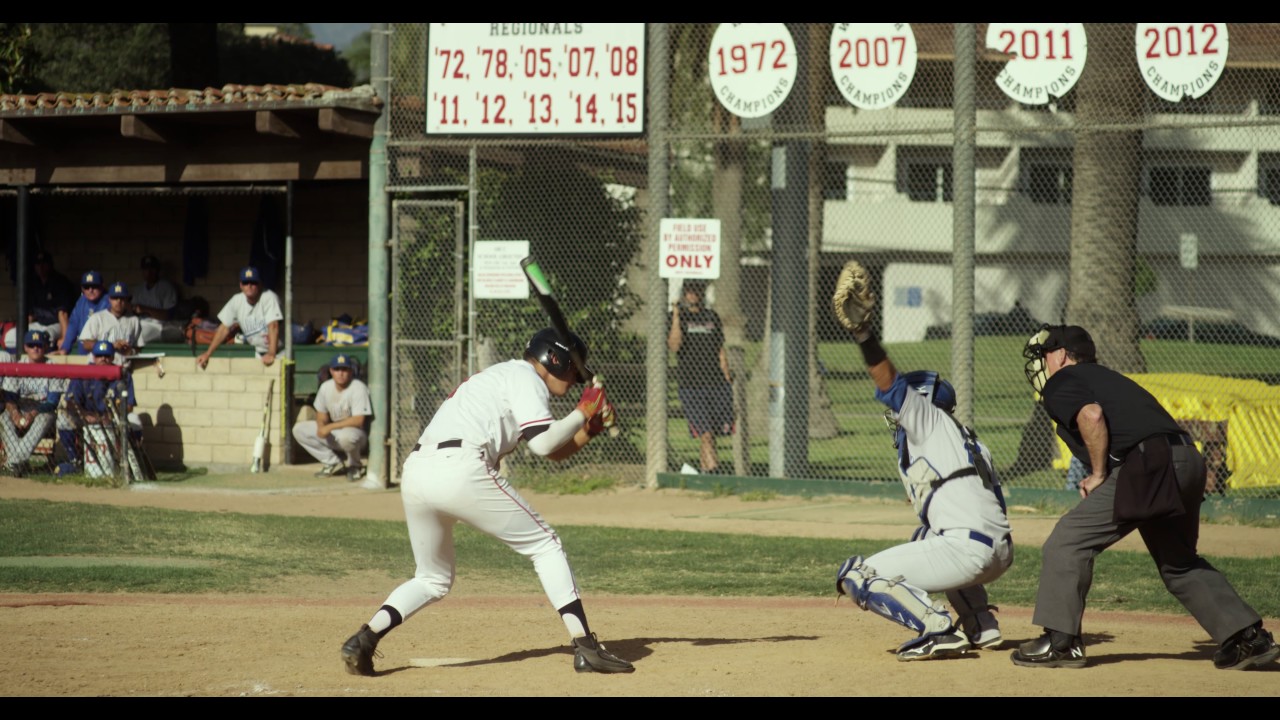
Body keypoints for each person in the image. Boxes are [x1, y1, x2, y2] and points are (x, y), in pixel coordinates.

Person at [338, 328, 633, 676]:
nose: (573, 381)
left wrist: (590, 428)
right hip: (461, 468)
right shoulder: (526, 377)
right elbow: (542, 444)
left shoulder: (506, 376)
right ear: (555, 360)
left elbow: (552, 449)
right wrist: (585, 410)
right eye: (573, 372)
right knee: (545, 545)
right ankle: (586, 647)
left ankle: (364, 638)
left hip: (417, 473)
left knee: (432, 579)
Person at [1012, 324, 1279, 670]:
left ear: (1062, 355)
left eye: (1045, 354)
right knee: (1178, 562)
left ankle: (1060, 643)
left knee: (1067, 542)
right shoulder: (1110, 379)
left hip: (1150, 464)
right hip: (1187, 460)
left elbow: (1091, 416)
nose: (1042, 362)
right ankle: (1248, 639)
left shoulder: (1064, 381)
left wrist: (1096, 475)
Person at [829, 259, 1012, 661]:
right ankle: (981, 624)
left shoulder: (929, 422)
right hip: (1000, 550)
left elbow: (890, 383)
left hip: (968, 552)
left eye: (903, 409)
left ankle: (936, 627)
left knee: (858, 575)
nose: (895, 415)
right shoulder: (967, 439)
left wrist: (862, 333)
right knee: (924, 536)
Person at [666, 278, 733, 474]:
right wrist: (677, 314)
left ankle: (705, 471)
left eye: (697, 289)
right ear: (684, 293)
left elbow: (720, 348)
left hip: (716, 383)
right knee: (705, 432)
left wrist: (726, 374)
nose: (693, 293)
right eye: (689, 290)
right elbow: (674, 345)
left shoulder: (712, 316)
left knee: (712, 432)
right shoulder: (676, 317)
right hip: (691, 384)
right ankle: (714, 471)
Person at [56, 340, 142, 472]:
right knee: (63, 420)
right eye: (99, 356)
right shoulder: (83, 372)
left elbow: (129, 405)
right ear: (93, 357)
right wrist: (85, 414)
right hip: (86, 416)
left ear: (113, 357)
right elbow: (70, 403)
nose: (103, 359)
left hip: (113, 417)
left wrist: (111, 416)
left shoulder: (123, 374)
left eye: (107, 356)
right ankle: (75, 460)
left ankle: (130, 463)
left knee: (134, 420)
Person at [292, 353, 373, 482]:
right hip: (335, 432)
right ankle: (332, 462)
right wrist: (321, 426)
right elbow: (321, 413)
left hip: (357, 435)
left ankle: (355, 466)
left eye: (344, 369)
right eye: (337, 369)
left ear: (350, 372)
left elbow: (359, 420)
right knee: (299, 429)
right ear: (331, 371)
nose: (340, 373)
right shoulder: (326, 387)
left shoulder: (358, 387)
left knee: (346, 436)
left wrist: (328, 427)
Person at [1, 330, 67, 476]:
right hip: (21, 409)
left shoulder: (53, 367)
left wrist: (32, 414)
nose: (35, 349)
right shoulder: (17, 366)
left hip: (42, 411)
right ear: (25, 347)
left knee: (46, 417)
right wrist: (15, 413)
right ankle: (17, 462)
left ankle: (14, 462)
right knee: (4, 416)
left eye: (39, 345)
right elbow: (9, 398)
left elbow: (52, 402)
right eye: (31, 345)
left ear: (44, 347)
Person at [196, 266, 282, 369]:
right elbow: (224, 328)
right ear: (241, 285)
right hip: (259, 352)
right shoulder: (237, 300)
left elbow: (273, 325)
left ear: (259, 284)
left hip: (280, 351)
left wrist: (271, 353)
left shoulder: (268, 297)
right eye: (246, 283)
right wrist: (208, 353)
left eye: (253, 282)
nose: (249, 286)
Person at [78, 281, 144, 362]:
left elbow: (139, 347)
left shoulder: (134, 320)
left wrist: (131, 351)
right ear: (109, 299)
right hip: (100, 366)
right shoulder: (97, 318)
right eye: (115, 298)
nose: (119, 301)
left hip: (124, 366)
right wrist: (111, 346)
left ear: (127, 299)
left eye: (122, 298)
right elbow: (86, 344)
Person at [23, 250, 76, 349]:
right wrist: (22, 330)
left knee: (45, 336)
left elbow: (63, 314)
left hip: (56, 324)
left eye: (44, 263)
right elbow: (30, 315)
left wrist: (65, 338)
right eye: (38, 264)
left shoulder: (60, 282)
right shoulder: (33, 283)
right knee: (12, 335)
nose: (41, 267)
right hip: (39, 323)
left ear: (50, 265)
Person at [56, 270, 108, 356]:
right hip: (84, 349)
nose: (90, 290)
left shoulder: (108, 301)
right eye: (87, 287)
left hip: (103, 351)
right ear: (82, 289)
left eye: (94, 286)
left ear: (102, 286)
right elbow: (73, 325)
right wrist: (65, 348)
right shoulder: (82, 301)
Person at [133, 254, 179, 344]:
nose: (149, 272)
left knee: (141, 335)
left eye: (152, 269)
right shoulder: (138, 289)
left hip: (160, 326)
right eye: (146, 269)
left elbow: (168, 315)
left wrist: (145, 309)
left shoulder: (167, 287)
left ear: (157, 270)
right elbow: (132, 311)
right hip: (141, 324)